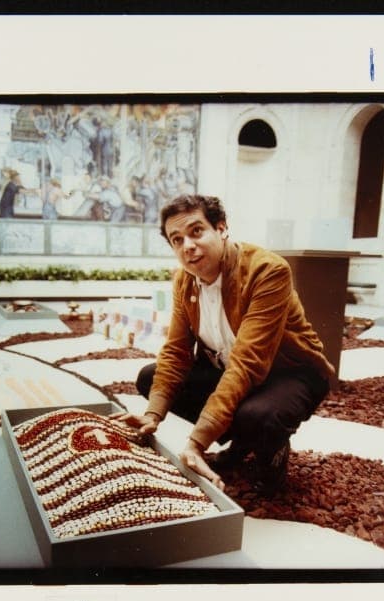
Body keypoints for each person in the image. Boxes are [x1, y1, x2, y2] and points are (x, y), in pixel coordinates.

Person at [117, 194, 334, 493]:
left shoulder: (267, 270)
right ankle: (244, 440)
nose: (188, 246)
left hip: (288, 372)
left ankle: (270, 447)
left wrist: (196, 444)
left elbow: (248, 362)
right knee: (150, 378)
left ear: (221, 228)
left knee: (259, 416)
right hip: (230, 368)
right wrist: (152, 415)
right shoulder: (185, 280)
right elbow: (177, 351)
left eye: (196, 231)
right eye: (176, 240)